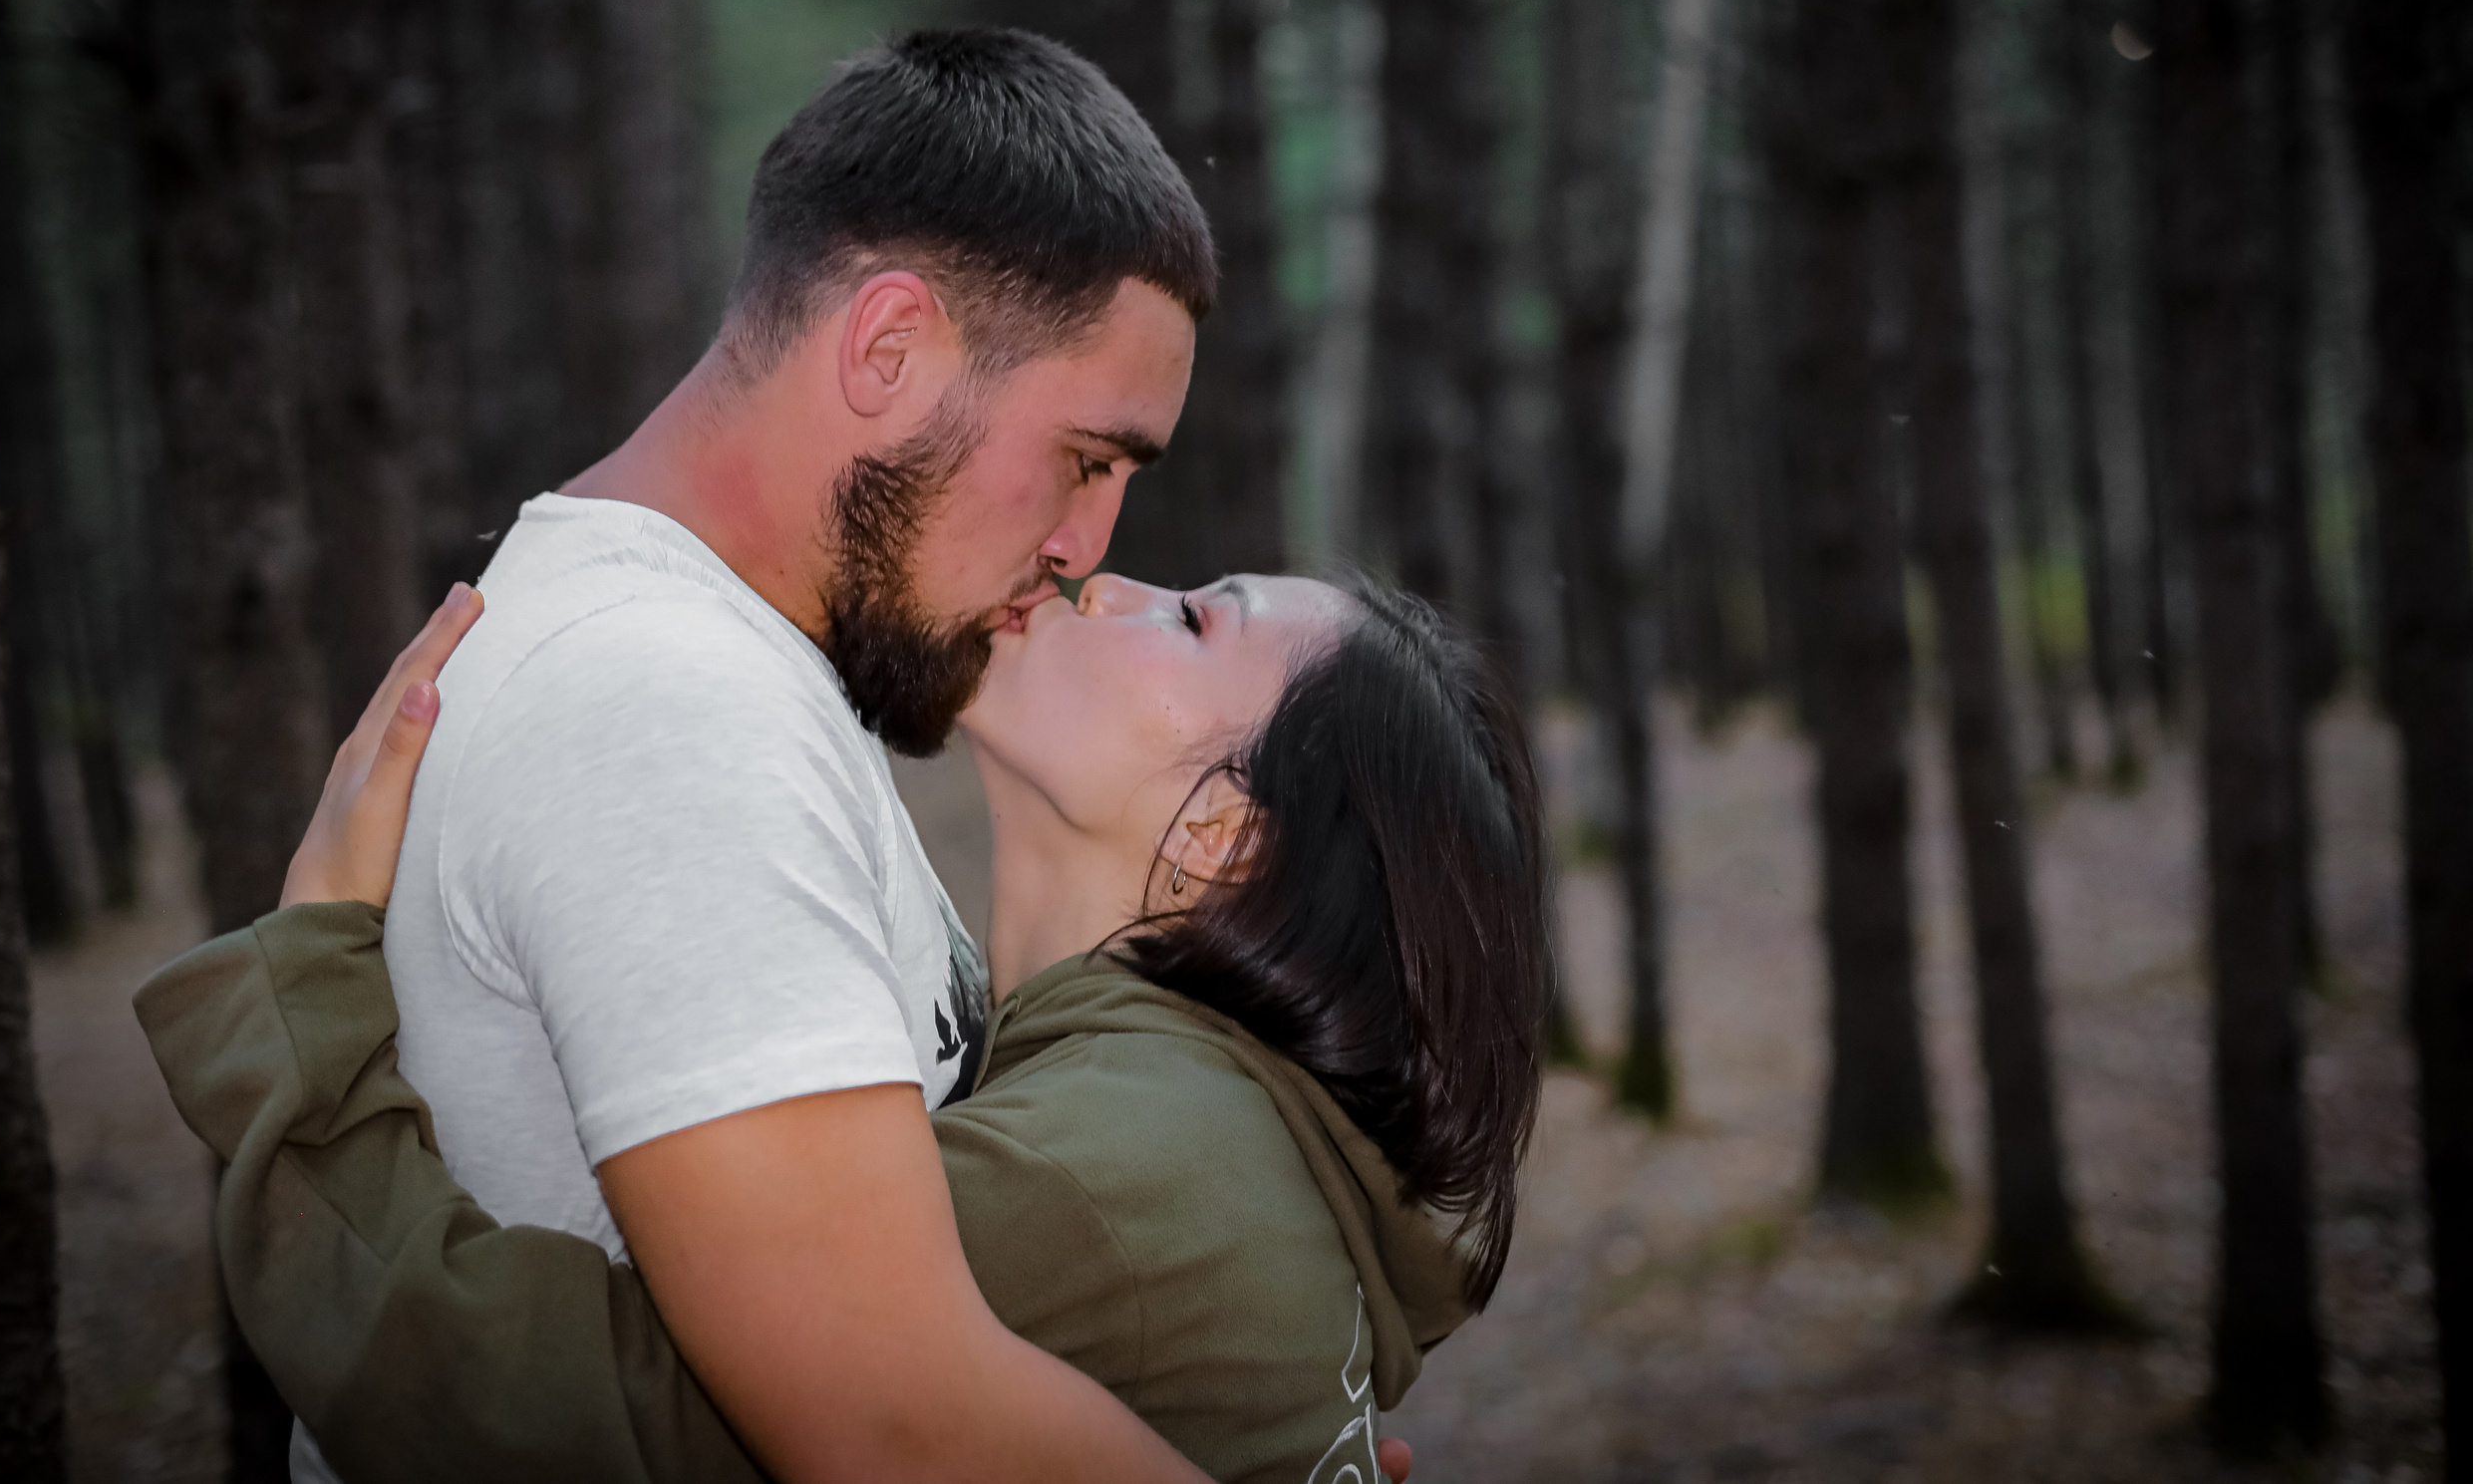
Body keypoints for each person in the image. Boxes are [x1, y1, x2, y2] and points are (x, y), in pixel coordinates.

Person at [229, 26, 1218, 1484]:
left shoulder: (715, 661)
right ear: (887, 346)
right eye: (1085, 459)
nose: (1083, 550)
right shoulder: (661, 704)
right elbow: (892, 1430)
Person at [142, 567, 1545, 1482]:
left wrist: (309, 965)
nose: (1104, 576)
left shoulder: (1110, 1178)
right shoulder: (1192, 1137)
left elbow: (478, 1405)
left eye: (1190, 619)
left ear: (1226, 838)